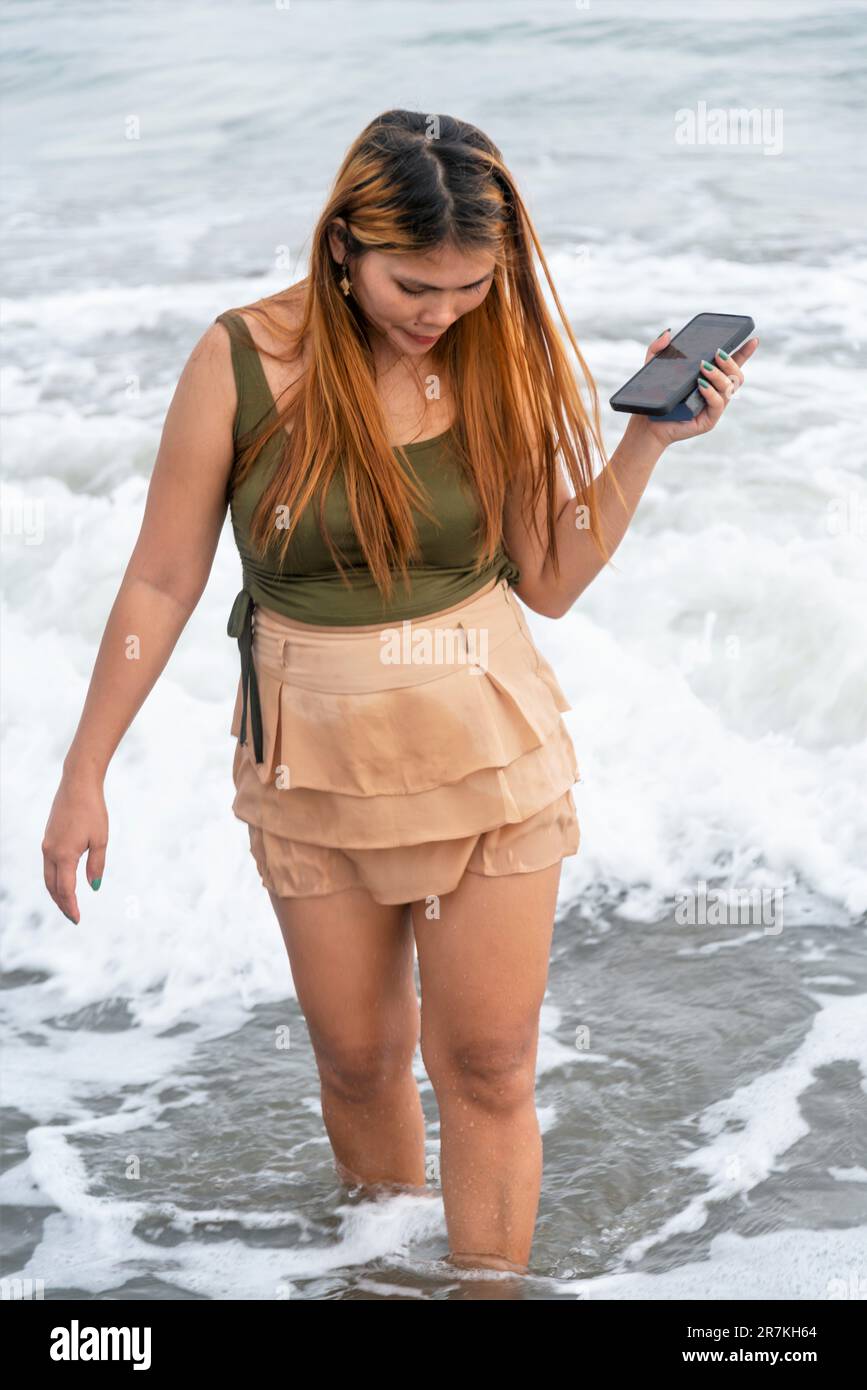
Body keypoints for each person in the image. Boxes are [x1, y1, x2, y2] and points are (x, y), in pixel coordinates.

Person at [41, 109, 758, 1279]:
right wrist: (84, 773)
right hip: (310, 762)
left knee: (487, 1067)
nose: (442, 312)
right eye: (414, 284)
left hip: (487, 748)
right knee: (361, 1068)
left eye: (473, 285)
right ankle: (388, 1276)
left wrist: (646, 446)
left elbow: (555, 579)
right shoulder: (240, 360)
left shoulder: (495, 355)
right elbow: (163, 578)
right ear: (342, 249)